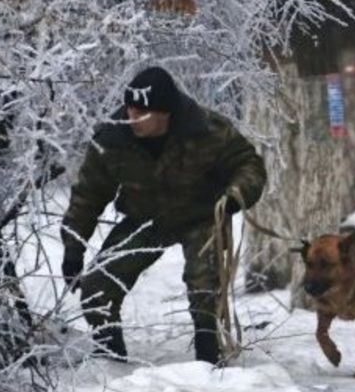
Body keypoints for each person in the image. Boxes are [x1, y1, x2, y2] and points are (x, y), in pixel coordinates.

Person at [60, 66, 266, 364]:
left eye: (141, 114)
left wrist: (236, 195)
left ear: (165, 113)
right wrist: (73, 248)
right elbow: (88, 194)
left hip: (201, 215)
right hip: (144, 220)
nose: (132, 119)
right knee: (97, 285)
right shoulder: (112, 138)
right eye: (130, 110)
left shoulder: (208, 130)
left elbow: (249, 164)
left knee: (204, 286)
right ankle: (110, 359)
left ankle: (208, 361)